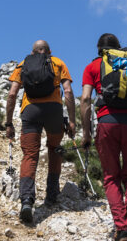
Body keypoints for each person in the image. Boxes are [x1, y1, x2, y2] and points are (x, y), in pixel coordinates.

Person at [80, 33, 127, 241]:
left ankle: (122, 229)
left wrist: (86, 133)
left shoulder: (93, 67)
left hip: (107, 124)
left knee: (111, 177)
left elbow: (86, 99)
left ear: (99, 49)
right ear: (118, 48)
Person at [6, 40, 77, 223]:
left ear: (32, 52)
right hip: (53, 111)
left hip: (31, 111)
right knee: (54, 148)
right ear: (49, 51)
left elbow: (12, 94)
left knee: (30, 155)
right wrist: (72, 121)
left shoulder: (23, 64)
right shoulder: (58, 62)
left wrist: (8, 123)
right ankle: (52, 195)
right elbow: (68, 92)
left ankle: (27, 201)